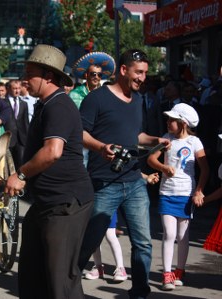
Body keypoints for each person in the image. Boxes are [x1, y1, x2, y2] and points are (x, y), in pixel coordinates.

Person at [78, 49, 170, 299]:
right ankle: (66, 286)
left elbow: (135, 136)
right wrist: (101, 147)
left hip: (134, 182)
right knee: (89, 240)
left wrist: (155, 141)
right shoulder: (96, 99)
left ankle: (139, 293)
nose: (142, 78)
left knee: (143, 242)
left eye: (145, 73)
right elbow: (81, 134)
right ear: (123, 70)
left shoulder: (139, 100)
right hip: (104, 183)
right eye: (138, 72)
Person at [5, 44, 94, 299]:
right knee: (33, 273)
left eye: (30, 73)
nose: (24, 79)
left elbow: (53, 151)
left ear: (48, 76)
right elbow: (77, 134)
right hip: (45, 202)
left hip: (65, 203)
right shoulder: (47, 105)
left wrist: (20, 175)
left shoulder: (59, 105)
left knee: (60, 279)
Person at [147, 103, 208, 291]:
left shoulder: (195, 142)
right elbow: (151, 159)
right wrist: (164, 168)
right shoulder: (166, 139)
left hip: (186, 194)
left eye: (172, 120)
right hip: (167, 193)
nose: (168, 122)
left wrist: (198, 190)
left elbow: (205, 169)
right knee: (169, 234)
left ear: (182, 123)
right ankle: (167, 274)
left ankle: (179, 271)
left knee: (182, 235)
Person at [84, 172, 159, 282]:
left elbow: (128, 167)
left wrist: (146, 177)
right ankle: (98, 267)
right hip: (91, 200)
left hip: (107, 197)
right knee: (94, 238)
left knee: (110, 235)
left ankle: (120, 268)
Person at [5, 79, 29, 170]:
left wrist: (27, 138)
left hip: (21, 139)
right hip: (8, 138)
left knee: (21, 162)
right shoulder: (3, 102)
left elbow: (26, 122)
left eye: (19, 88)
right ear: (9, 89)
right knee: (9, 164)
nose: (17, 91)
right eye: (14, 88)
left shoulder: (24, 104)